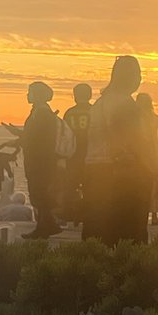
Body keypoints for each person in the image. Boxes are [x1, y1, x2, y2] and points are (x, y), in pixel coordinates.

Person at [84, 56, 151, 244]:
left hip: (95, 172)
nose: (140, 79)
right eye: (138, 74)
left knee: (98, 230)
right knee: (126, 235)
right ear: (129, 77)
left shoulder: (100, 103)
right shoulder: (126, 104)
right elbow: (132, 142)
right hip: (121, 176)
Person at [21, 82, 61, 239]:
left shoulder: (42, 113)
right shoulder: (40, 111)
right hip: (38, 159)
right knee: (39, 193)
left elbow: (39, 138)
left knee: (40, 193)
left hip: (40, 161)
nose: (27, 95)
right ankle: (47, 224)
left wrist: (23, 137)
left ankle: (45, 226)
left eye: (30, 91)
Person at [136, 92, 158, 225]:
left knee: (140, 182)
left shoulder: (136, 118)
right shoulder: (154, 117)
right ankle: (154, 215)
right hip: (154, 151)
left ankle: (140, 214)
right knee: (156, 182)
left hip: (140, 151)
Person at [62, 83, 92, 221]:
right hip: (89, 154)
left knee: (70, 185)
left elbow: (64, 134)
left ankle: (69, 213)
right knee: (90, 186)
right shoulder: (94, 111)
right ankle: (87, 213)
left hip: (72, 154)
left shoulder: (69, 113)